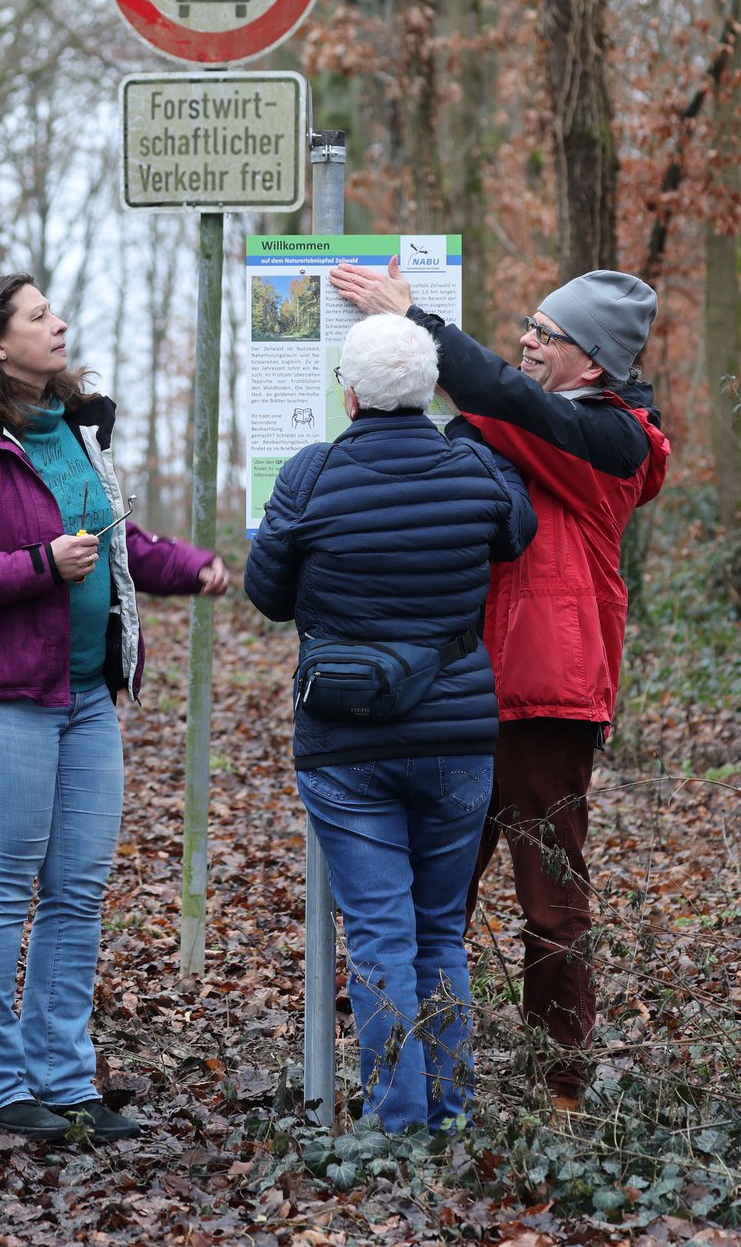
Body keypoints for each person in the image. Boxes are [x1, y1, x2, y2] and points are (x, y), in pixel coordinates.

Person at [0, 274, 228, 1144]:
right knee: (3, 890)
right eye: (39, 316)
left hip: (86, 698)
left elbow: (114, 544)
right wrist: (40, 565)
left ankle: (62, 1077)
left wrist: (189, 566)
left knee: (77, 892)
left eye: (56, 312)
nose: (60, 323)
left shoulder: (74, 432)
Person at [332, 262, 668, 1110]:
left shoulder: (612, 441)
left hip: (545, 698)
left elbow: (511, 406)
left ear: (592, 362)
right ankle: (412, 1080)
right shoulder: (514, 429)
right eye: (527, 322)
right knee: (426, 896)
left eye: (545, 333)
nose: (526, 338)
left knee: (550, 904)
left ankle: (558, 1085)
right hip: (461, 692)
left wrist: (420, 322)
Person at [244, 314, 536, 1131]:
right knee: (441, 931)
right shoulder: (473, 466)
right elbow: (519, 530)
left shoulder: (308, 474)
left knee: (378, 935)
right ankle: (449, 1113)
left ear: (351, 393)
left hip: (345, 742)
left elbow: (267, 595)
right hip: (457, 736)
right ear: (430, 390)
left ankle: (397, 1122)